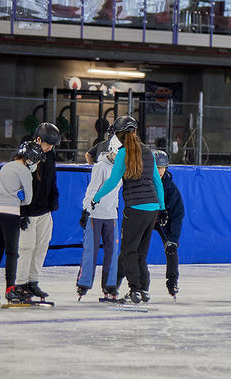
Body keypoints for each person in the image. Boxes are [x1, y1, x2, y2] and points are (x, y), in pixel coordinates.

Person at [91, 116, 165, 305]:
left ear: (120, 134)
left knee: (128, 250)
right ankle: (144, 289)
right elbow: (157, 181)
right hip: (152, 209)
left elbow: (113, 181)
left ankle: (135, 290)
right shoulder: (148, 153)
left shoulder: (123, 154)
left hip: (136, 208)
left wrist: (96, 197)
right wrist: (162, 208)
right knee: (141, 251)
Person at [0, 142, 42, 305]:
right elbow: (28, 199)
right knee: (12, 252)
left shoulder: (6, 166)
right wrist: (20, 196)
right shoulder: (25, 171)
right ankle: (10, 289)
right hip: (10, 212)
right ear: (31, 159)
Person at [14, 122, 61, 302]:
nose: (49, 148)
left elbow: (52, 179)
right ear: (38, 139)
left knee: (41, 248)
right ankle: (20, 285)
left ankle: (32, 282)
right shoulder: (24, 155)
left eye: (53, 145)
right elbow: (17, 185)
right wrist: (21, 212)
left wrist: (53, 199)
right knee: (26, 249)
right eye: (48, 144)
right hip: (28, 211)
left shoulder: (50, 155)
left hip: (44, 211)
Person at [77, 138, 122, 301]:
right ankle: (83, 283)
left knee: (112, 251)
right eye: (117, 154)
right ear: (111, 151)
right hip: (96, 215)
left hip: (112, 216)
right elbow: (92, 189)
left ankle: (110, 285)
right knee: (91, 250)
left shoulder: (121, 166)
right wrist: (86, 210)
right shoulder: (100, 166)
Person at [153, 150, 185, 299]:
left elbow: (178, 215)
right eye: (156, 167)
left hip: (165, 222)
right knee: (134, 250)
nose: (159, 170)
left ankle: (172, 282)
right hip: (146, 218)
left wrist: (173, 239)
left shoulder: (172, 189)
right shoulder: (145, 183)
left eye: (162, 167)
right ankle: (128, 282)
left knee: (171, 249)